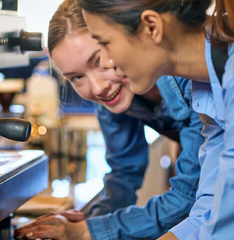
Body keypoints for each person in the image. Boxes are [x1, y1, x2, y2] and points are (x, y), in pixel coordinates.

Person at [14, 0, 204, 239]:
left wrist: (87, 231)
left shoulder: (197, 82)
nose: (98, 87)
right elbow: (123, 175)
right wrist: (93, 219)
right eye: (76, 77)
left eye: (98, 60)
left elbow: (189, 197)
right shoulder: (112, 102)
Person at [77, 0, 234, 239]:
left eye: (105, 44)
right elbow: (207, 216)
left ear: (152, 27)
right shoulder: (206, 91)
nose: (107, 63)